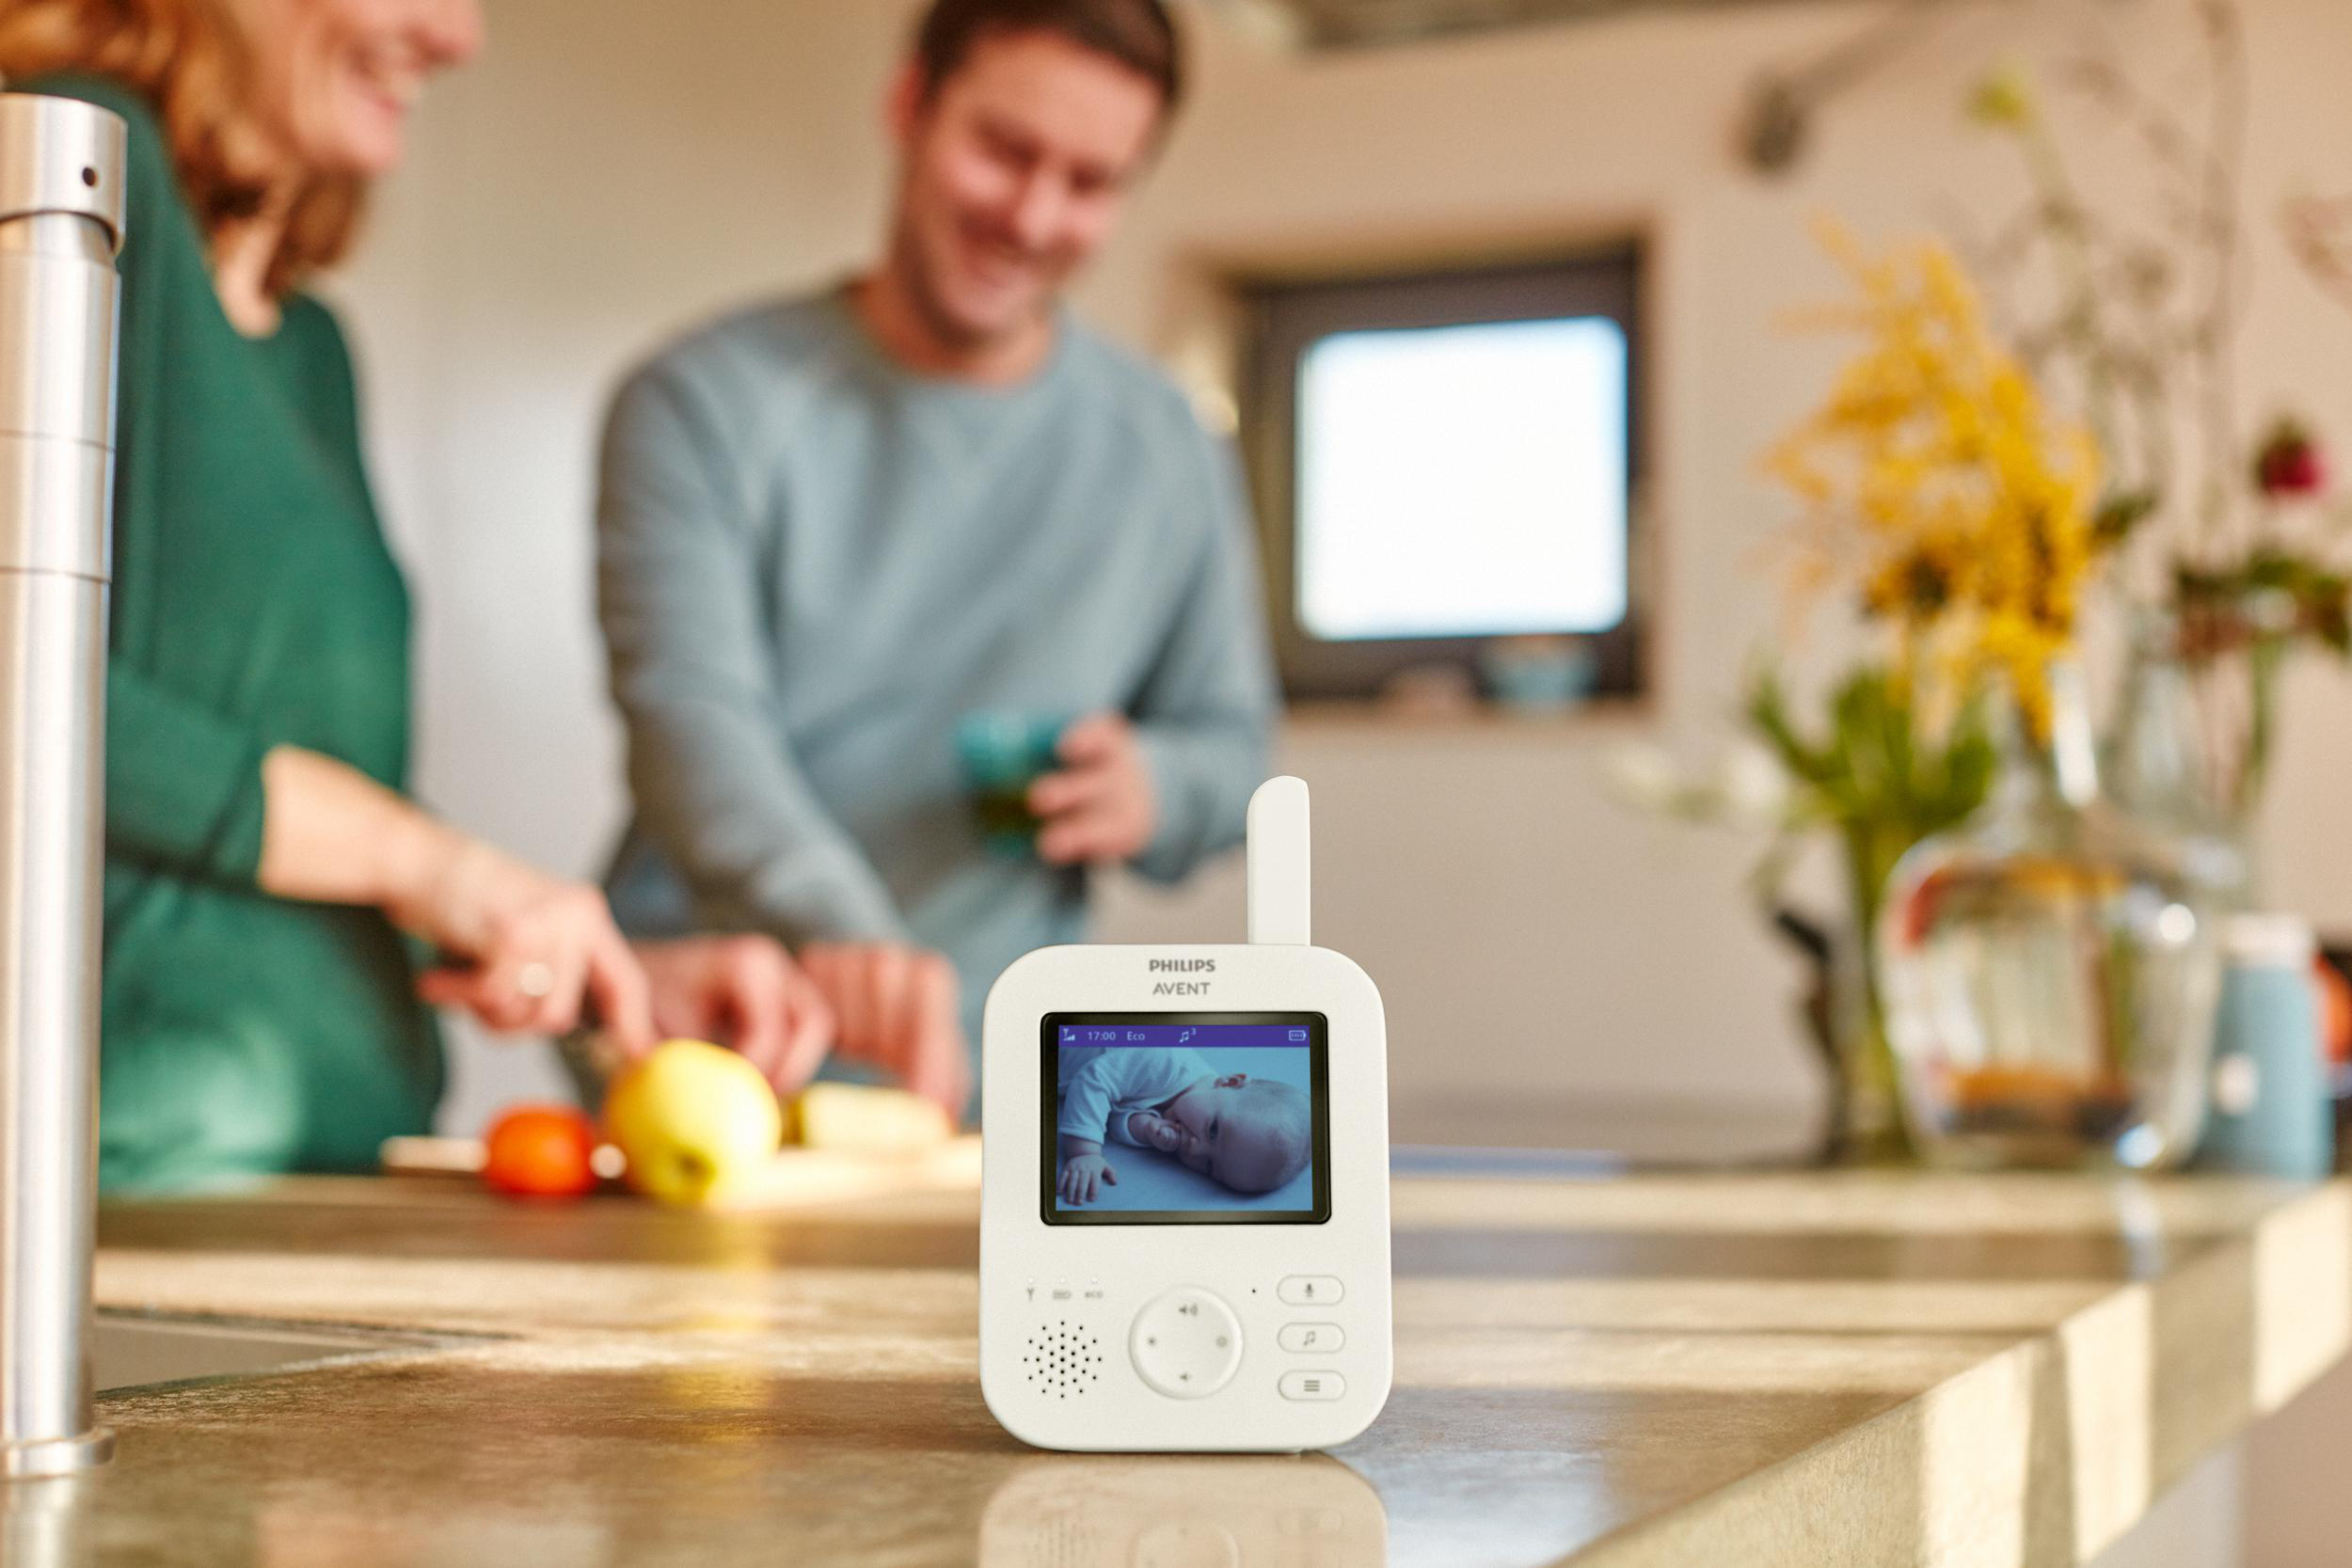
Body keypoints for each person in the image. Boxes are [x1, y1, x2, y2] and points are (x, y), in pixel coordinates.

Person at [0, 0, 847, 1190]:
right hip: (111, 1191)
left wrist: (602, 983)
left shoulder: (309, 350)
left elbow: (294, 821)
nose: (459, 36)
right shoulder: (66, 172)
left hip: (311, 1172)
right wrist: (434, 867)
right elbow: (26, 697)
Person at [596, 0, 1278, 1089]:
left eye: (1090, 182)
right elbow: (694, 726)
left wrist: (1159, 783)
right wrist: (857, 936)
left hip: (997, 1081)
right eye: (1004, 151)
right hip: (710, 1054)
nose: (1032, 214)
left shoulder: (1164, 448)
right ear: (910, 104)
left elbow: (1235, 752)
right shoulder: (701, 402)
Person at [1055, 1043, 1311, 1204]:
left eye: (1210, 1166)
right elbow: (1093, 1081)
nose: (1195, 1150)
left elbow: (1113, 1112)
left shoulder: (1187, 1107)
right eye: (1213, 1130)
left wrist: (1143, 1129)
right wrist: (1085, 1152)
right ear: (1230, 1082)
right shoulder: (1164, 1061)